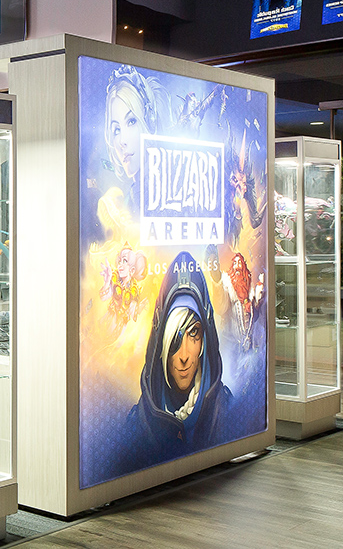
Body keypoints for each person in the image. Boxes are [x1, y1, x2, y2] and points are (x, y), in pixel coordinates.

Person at [115, 251, 234, 475]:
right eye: (175, 338)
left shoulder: (227, 411)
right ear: (160, 341)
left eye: (194, 333)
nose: (184, 355)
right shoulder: (138, 423)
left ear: (205, 339)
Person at [102, 65, 166, 204]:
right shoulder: (130, 199)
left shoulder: (164, 192)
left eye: (131, 121)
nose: (122, 141)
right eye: (116, 130)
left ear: (149, 121)